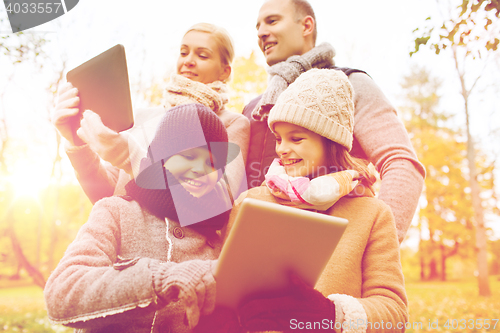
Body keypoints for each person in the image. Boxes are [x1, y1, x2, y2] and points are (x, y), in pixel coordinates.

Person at [208, 69, 408, 333]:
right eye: (279, 139)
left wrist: (332, 315)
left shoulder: (372, 214)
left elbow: (394, 312)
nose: (281, 149)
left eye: (296, 138)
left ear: (330, 142)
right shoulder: (251, 202)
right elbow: (218, 284)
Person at [45, 103, 238, 333]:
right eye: (188, 155)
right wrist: (160, 277)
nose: (201, 169)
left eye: (213, 163)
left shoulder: (221, 238)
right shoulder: (116, 211)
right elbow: (62, 294)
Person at [243, 0, 425, 243]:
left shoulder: (351, 85)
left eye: (272, 21)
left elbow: (401, 163)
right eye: (257, 26)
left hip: (333, 262)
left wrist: (375, 247)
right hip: (254, 254)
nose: (261, 32)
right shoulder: (254, 108)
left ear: (306, 25)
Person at [52, 22, 249, 204]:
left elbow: (221, 198)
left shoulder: (232, 123)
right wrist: (77, 145)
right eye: (183, 52)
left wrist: (129, 157)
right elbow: (107, 195)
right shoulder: (141, 118)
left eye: (202, 55)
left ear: (225, 71)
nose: (188, 60)